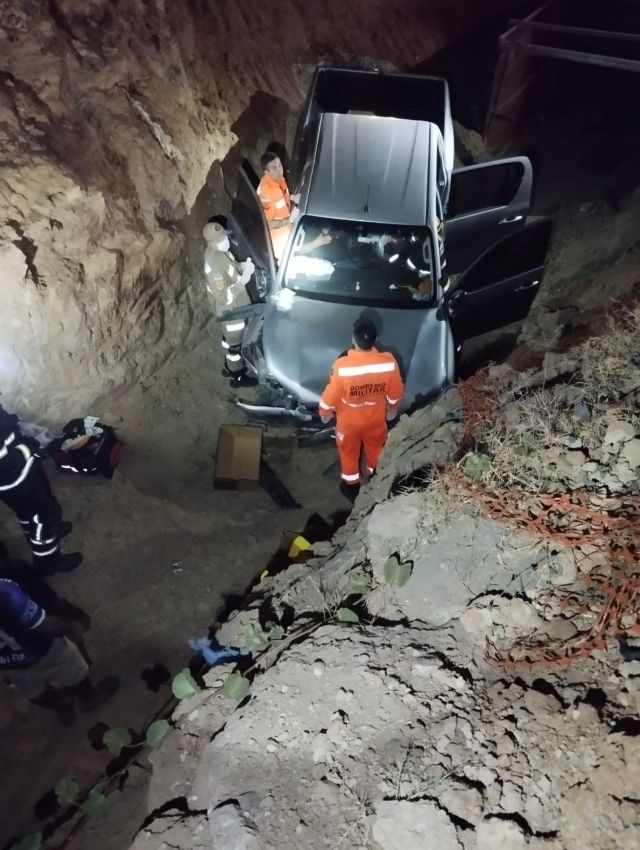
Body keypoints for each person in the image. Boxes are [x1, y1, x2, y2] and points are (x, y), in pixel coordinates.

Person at [0, 571, 118, 725]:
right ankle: (89, 698)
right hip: (41, 651)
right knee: (73, 671)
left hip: (7, 665)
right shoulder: (5, 591)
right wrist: (69, 628)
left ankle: (62, 705)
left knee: (32, 690)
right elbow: (45, 626)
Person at [319, 317, 404, 502]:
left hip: (349, 422)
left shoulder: (342, 366)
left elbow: (329, 396)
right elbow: (396, 391)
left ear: (353, 338)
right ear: (375, 340)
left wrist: (324, 413)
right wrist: (392, 408)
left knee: (349, 453)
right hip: (375, 419)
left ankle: (351, 487)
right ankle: (376, 476)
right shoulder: (388, 362)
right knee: (376, 449)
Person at [0, 404, 82, 574]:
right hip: (15, 479)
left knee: (36, 511)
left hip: (22, 471)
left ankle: (49, 533)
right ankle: (47, 560)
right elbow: (6, 462)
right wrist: (32, 446)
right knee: (39, 517)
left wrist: (17, 425)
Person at [203, 222, 258, 389]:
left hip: (236, 307)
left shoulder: (221, 252)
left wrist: (242, 267)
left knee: (229, 342)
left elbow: (231, 269)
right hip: (231, 312)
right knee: (235, 346)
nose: (224, 240)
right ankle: (237, 377)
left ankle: (228, 367)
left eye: (224, 236)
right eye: (220, 239)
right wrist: (243, 281)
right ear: (211, 243)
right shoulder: (213, 267)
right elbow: (223, 297)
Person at [257, 151, 299, 260]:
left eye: (280, 165)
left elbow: (282, 197)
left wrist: (293, 197)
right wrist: (288, 220)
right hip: (278, 243)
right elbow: (267, 224)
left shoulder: (279, 179)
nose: (280, 169)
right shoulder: (268, 192)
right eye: (274, 168)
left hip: (288, 232)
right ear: (266, 172)